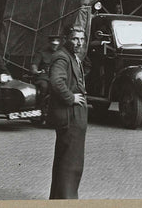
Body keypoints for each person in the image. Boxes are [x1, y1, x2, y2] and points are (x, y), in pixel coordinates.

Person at [48, 26, 88, 200]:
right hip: (70, 114)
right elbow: (56, 81)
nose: (79, 42)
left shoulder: (70, 56)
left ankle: (58, 198)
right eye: (74, 39)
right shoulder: (62, 57)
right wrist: (70, 97)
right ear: (66, 39)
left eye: (81, 39)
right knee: (72, 163)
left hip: (70, 115)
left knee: (65, 159)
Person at [31, 35, 61, 115]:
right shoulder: (41, 53)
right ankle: (40, 108)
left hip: (56, 77)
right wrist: (35, 70)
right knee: (44, 86)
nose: (55, 46)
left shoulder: (60, 54)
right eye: (53, 44)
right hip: (43, 77)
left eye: (56, 45)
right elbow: (35, 64)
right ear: (49, 43)